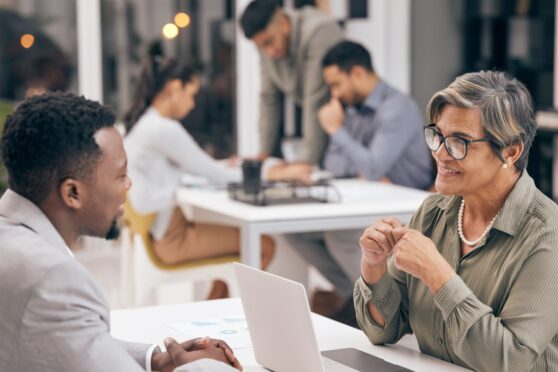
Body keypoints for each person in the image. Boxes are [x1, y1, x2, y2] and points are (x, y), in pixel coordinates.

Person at [0, 92, 241, 371]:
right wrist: (212, 366)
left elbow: (74, 341)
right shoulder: (53, 278)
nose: (129, 185)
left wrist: (157, 360)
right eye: (120, 175)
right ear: (72, 193)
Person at [355, 71, 558, 371]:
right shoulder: (433, 212)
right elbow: (383, 330)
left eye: (459, 142)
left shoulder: (546, 235)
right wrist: (373, 268)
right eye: (437, 136)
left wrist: (438, 274)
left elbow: (511, 361)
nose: (439, 153)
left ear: (510, 151)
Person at [273, 41, 433, 324]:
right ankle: (356, 296)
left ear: (358, 73)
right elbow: (334, 165)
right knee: (296, 232)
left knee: (340, 236)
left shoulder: (396, 108)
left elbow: (370, 167)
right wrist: (361, 162)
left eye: (336, 85)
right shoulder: (353, 108)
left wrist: (336, 130)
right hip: (369, 198)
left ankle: (385, 307)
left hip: (408, 201)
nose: (334, 94)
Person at [123, 56, 275, 298]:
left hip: (158, 234)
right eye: (191, 94)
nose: (192, 104)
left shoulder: (143, 124)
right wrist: (271, 171)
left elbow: (196, 169)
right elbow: (213, 173)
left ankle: (215, 311)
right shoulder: (163, 128)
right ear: (175, 88)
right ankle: (230, 315)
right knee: (264, 245)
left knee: (245, 247)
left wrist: (224, 168)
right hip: (172, 238)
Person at [239, 0, 343, 164]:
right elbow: (269, 98)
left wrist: (305, 164)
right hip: (320, 125)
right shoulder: (267, 46)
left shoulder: (318, 32)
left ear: (282, 22)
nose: (268, 52)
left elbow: (315, 99)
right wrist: (264, 155)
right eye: (260, 46)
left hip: (348, 127)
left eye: (269, 42)